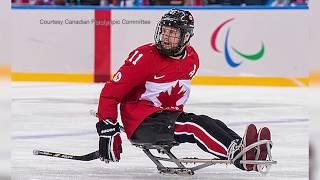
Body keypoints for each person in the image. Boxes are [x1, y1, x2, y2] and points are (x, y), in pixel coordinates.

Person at [95, 9, 272, 172]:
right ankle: (239, 157)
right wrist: (107, 129)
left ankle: (247, 150)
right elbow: (110, 93)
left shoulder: (192, 58)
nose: (165, 36)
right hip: (142, 123)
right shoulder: (144, 57)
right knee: (194, 126)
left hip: (165, 118)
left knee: (209, 121)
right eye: (164, 31)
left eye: (172, 33)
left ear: (186, 37)